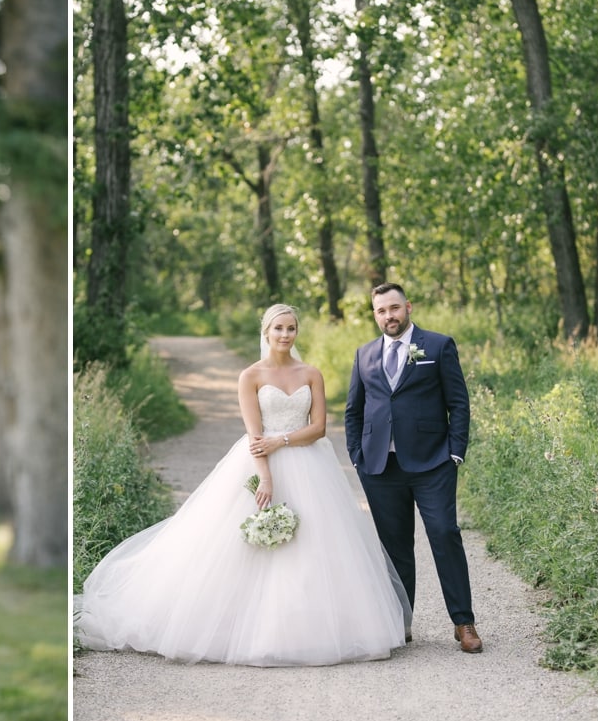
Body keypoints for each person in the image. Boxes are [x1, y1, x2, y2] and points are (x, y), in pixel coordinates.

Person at [75, 304, 411, 666]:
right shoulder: (250, 376)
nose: (285, 335)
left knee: (317, 543)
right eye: (278, 328)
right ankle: (238, 627)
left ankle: (310, 627)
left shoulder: (311, 373)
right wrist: (264, 477)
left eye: (291, 328)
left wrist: (281, 441)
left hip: (309, 462)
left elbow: (317, 428)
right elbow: (255, 435)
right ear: (266, 333)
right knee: (239, 546)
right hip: (259, 463)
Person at [345, 283, 479, 653]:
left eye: (394, 308)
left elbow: (459, 402)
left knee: (444, 534)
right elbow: (354, 410)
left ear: (408, 307)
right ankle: (399, 623)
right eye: (380, 311)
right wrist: (357, 455)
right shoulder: (364, 354)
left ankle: (463, 622)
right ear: (374, 315)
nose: (389, 316)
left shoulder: (438, 346)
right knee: (394, 547)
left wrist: (455, 452)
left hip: (433, 461)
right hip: (379, 467)